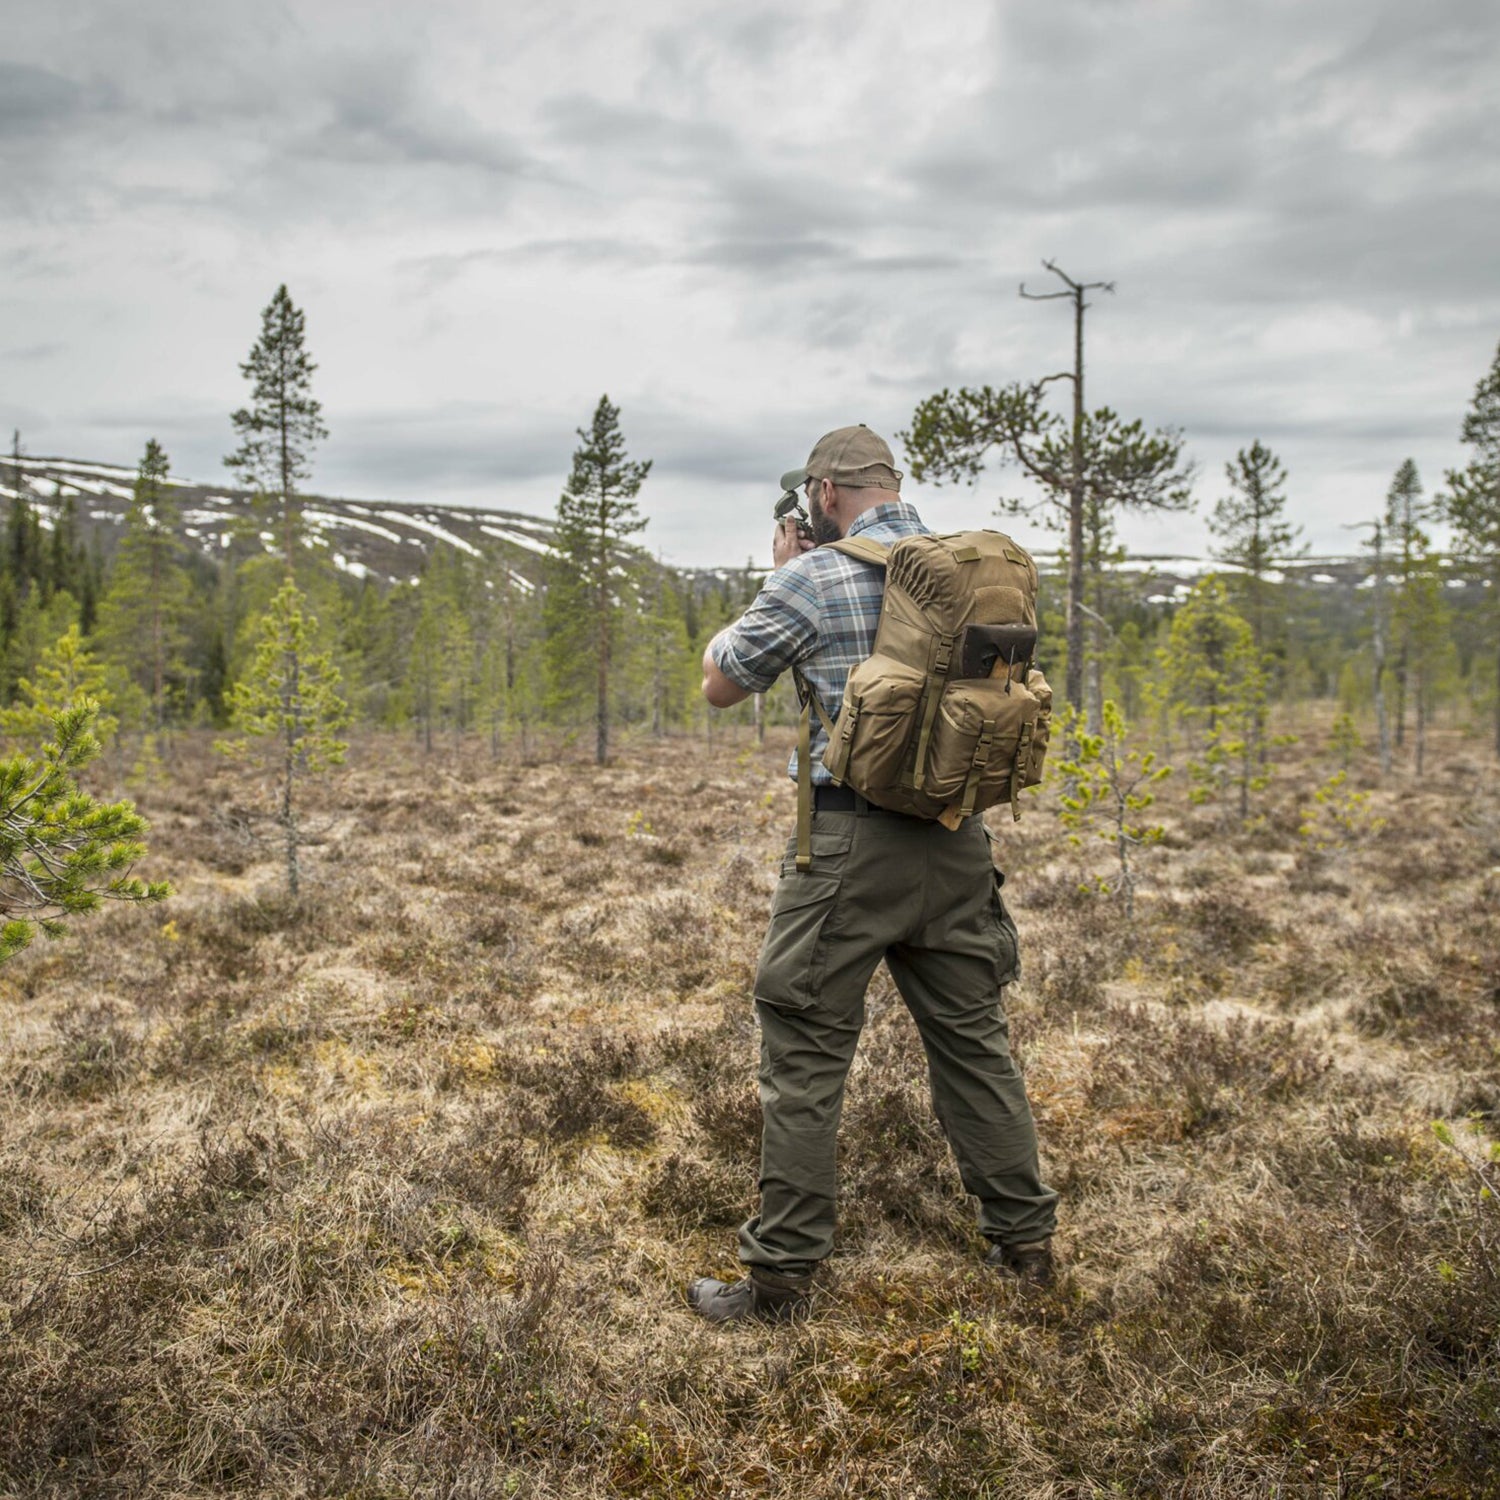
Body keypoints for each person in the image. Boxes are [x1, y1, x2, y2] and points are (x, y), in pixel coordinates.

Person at [687, 424, 1058, 1325]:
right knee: (974, 1043)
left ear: (820, 496)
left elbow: (722, 683)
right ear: (892, 486)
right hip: (956, 839)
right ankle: (1026, 1246)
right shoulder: (975, 572)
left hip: (847, 851)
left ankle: (780, 1277)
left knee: (807, 1050)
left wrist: (778, 575)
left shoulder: (811, 577)